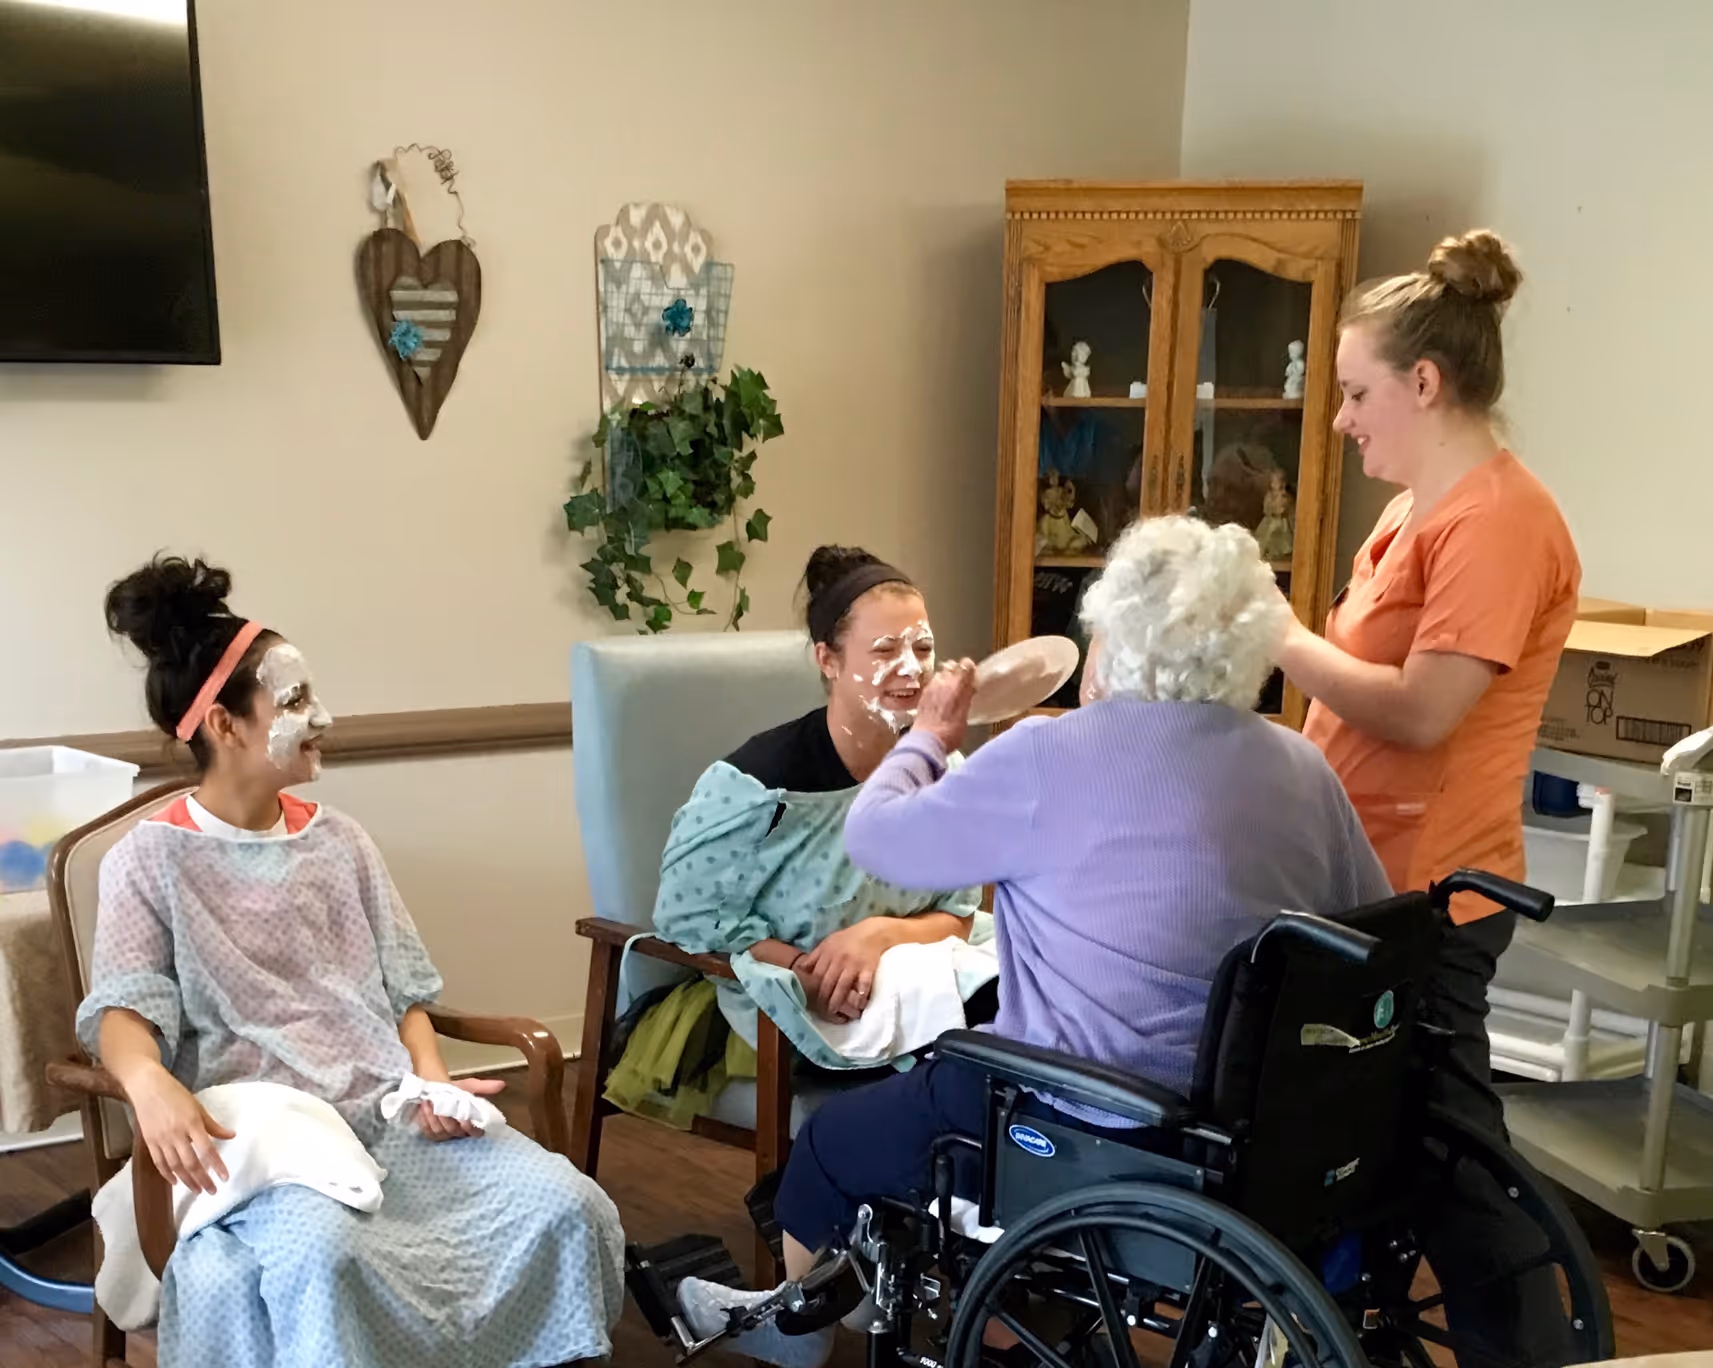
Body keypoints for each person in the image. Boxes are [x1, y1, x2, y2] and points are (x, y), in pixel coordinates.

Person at [675, 516, 1391, 1367]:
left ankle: (791, 1332)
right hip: (1261, 1130)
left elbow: (874, 836)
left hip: (1092, 1113)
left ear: (1112, 633)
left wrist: (931, 736)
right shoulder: (1301, 766)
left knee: (834, 1144)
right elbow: (1370, 928)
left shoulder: (1049, 756)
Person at [78, 556, 625, 1368]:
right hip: (269, 1142)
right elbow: (124, 1009)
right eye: (295, 701)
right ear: (225, 725)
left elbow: (405, 993)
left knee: (568, 1206)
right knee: (326, 1259)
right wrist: (149, 1085)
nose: (323, 716)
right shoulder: (147, 861)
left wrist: (431, 1080)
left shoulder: (340, 842)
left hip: (387, 1112)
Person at [1271, 230, 1582, 1367]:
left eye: (1356, 393)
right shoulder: (1410, 513)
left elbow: (1418, 711)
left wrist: (1276, 634)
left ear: (1425, 383)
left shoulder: (1499, 523)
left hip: (1435, 892)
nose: (1340, 419)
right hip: (1367, 882)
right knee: (1370, 1143)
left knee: (1456, 1162)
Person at [640, 545, 991, 1082]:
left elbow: (959, 913)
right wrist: (810, 973)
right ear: (828, 659)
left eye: (923, 648)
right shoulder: (759, 789)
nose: (911, 668)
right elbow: (686, 917)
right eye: (884, 650)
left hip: (919, 973)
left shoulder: (943, 771)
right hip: (794, 1004)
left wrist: (876, 936)